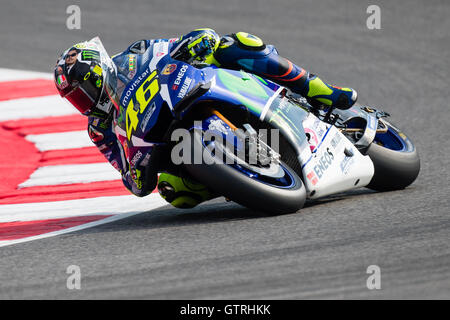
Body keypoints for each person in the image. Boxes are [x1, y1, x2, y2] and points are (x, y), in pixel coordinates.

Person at [54, 29, 357, 208]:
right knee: (174, 192)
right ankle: (241, 177)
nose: (84, 101)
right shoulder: (98, 129)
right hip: (167, 137)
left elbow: (179, 44)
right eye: (75, 99)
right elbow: (125, 172)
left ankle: (321, 91)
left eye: (83, 91)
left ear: (99, 73)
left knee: (237, 43)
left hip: (192, 88)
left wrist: (197, 40)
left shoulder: (134, 56)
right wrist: (136, 175)